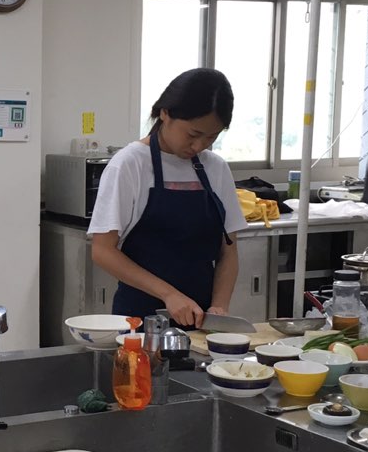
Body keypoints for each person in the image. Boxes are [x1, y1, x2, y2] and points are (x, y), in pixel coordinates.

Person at [88, 67, 248, 327]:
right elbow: (102, 251)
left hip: (201, 321)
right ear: (165, 113)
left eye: (211, 137)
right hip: (140, 322)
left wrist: (220, 306)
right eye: (193, 134)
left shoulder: (215, 168)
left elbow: (228, 251)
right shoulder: (130, 164)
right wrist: (169, 295)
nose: (199, 146)